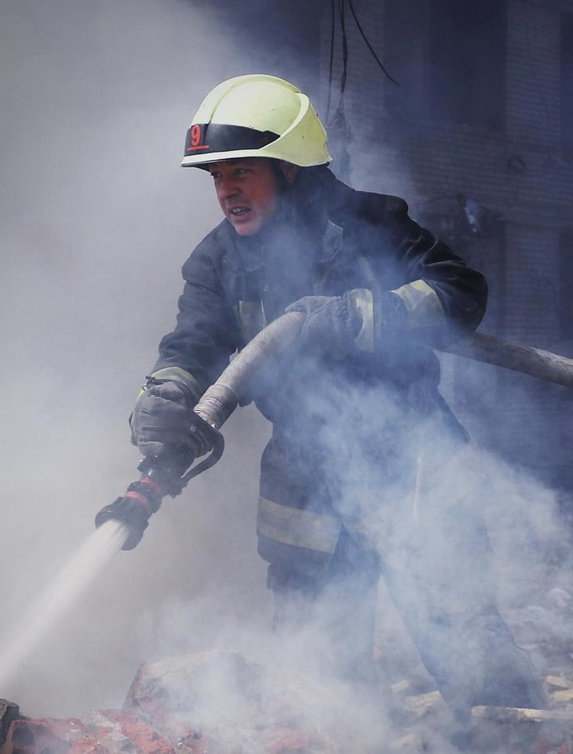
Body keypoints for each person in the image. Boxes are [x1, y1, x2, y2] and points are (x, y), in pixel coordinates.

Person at [129, 74, 544, 733]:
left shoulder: (370, 225)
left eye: (242, 172)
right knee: (318, 683)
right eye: (216, 177)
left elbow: (461, 293)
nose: (226, 190)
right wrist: (168, 393)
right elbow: (195, 341)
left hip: (411, 462)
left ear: (291, 171)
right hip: (302, 480)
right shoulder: (217, 261)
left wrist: (364, 316)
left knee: (474, 658)